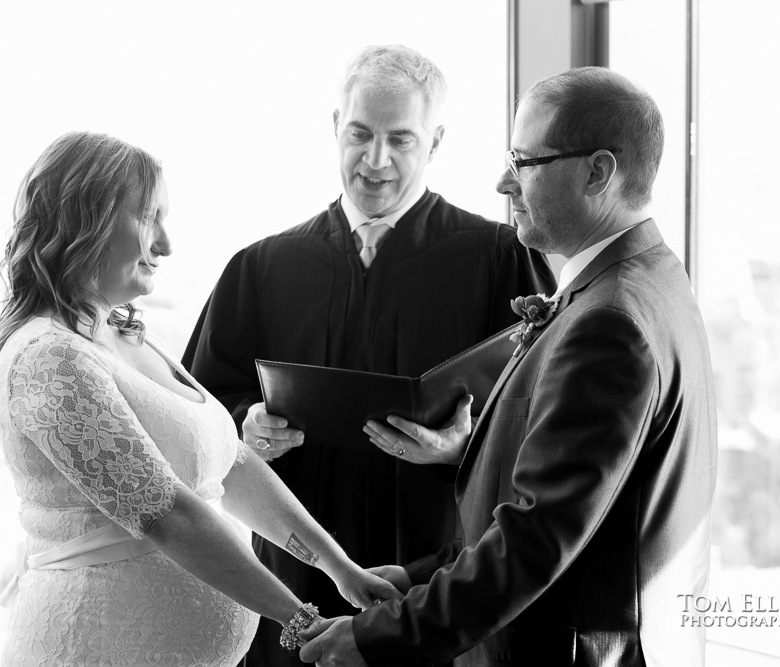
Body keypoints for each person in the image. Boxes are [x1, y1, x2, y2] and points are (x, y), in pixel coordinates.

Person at [300, 67, 718, 666]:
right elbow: (558, 504)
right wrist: (417, 579)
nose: (502, 183)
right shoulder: (649, 281)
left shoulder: (611, 324)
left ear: (598, 172)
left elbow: (537, 539)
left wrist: (379, 638)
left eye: (524, 163)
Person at [182, 45, 555, 666]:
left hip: (436, 578)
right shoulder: (261, 268)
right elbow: (195, 416)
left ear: (434, 142)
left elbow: (544, 426)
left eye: (400, 140)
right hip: (294, 579)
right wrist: (246, 423)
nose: (375, 160)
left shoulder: (498, 262)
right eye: (359, 134)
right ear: (335, 128)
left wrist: (462, 448)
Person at [0, 131, 402, 666]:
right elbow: (169, 515)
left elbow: (230, 463)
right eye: (147, 217)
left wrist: (339, 568)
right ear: (83, 220)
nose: (165, 244)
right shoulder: (48, 357)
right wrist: (304, 622)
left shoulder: (126, 334)